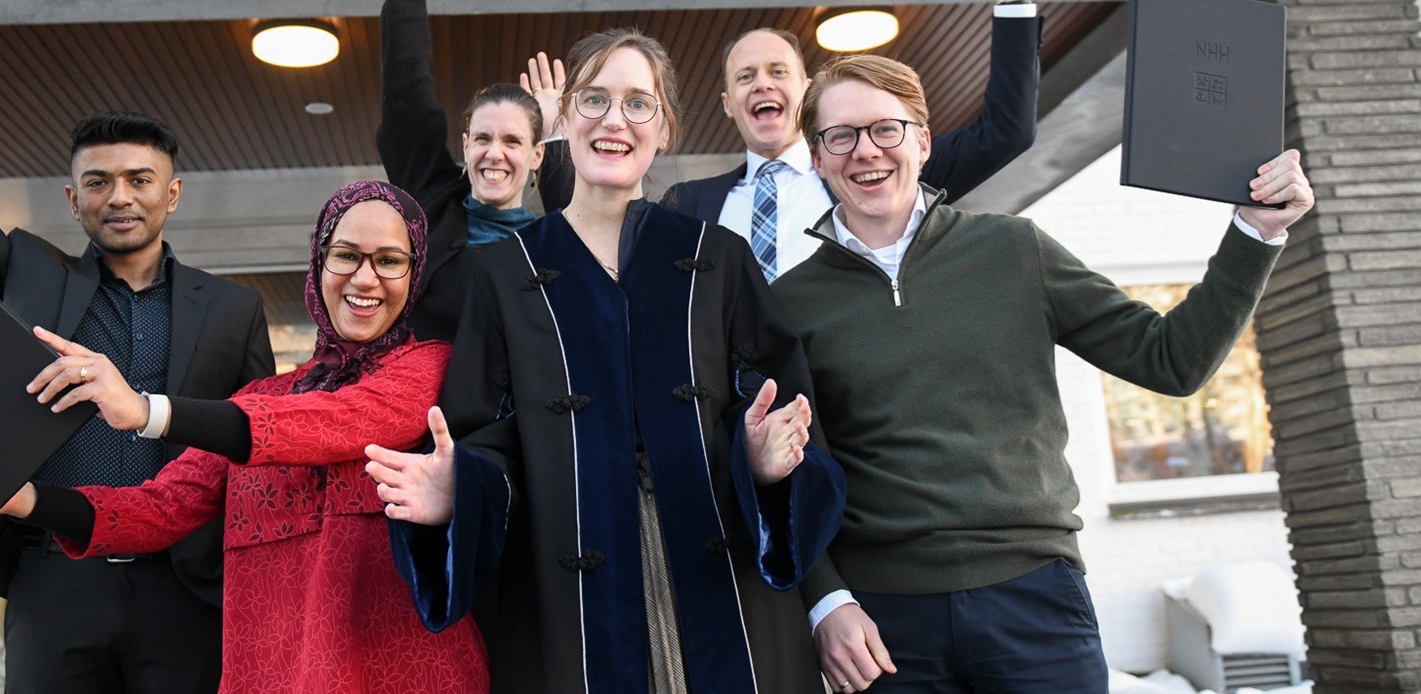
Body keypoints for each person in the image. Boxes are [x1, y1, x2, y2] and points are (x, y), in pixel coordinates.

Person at [770, 54, 1312, 692]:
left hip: (1035, 601)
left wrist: (1256, 233)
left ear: (921, 139)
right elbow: (791, 477)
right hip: (883, 623)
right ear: (816, 154)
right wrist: (826, 598)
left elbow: (1172, 360)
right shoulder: (787, 303)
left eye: (885, 129)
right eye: (841, 136)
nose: (866, 152)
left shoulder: (1013, 250)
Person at [364, 28, 846, 694]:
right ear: (562, 119)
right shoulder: (505, 275)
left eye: (638, 103)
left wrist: (764, 463)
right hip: (574, 614)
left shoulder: (720, 257)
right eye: (593, 99)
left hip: (725, 597)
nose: (614, 120)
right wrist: (461, 490)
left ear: (665, 126)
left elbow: (782, 412)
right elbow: (488, 438)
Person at [0, 181, 490, 694]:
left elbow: (334, 421)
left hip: (406, 673)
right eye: (346, 255)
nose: (366, 277)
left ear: (413, 276)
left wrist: (145, 410)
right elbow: (156, 508)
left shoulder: (429, 368)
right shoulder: (260, 397)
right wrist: (20, 497)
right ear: (318, 263)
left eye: (390, 260)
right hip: (271, 675)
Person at [0, 0, 272, 689]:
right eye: (98, 182)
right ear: (73, 200)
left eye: (138, 180)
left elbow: (255, 450)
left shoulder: (234, 310)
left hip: (186, 589)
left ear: (171, 194)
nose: (119, 196)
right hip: (54, 582)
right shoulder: (29, 273)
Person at [540, 0, 1042, 282]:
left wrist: (1015, 10)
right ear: (727, 104)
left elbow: (1004, 134)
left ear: (805, 89)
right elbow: (595, 232)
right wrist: (561, 135)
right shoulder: (689, 203)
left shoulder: (869, 171)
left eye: (778, 71)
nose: (762, 84)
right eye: (745, 77)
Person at [379, 0, 570, 342]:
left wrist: (556, 135)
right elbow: (406, 98)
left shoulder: (552, 247)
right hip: (428, 394)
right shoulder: (432, 212)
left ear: (536, 154)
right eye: (483, 138)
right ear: (466, 146)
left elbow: (589, 232)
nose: (494, 154)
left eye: (512, 141)